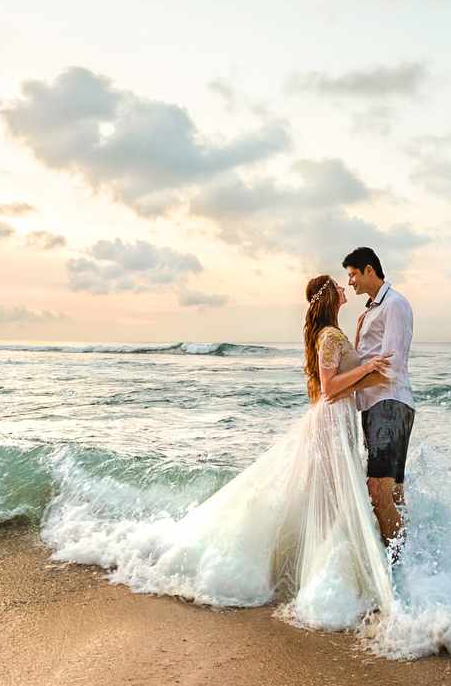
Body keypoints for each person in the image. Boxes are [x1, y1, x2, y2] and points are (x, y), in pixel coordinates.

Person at [113, 274, 395, 630]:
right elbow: (329, 388)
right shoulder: (327, 336)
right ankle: (327, 580)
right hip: (331, 421)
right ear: (329, 297)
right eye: (338, 285)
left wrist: (370, 365)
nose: (344, 287)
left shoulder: (333, 333)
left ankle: (329, 571)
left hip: (339, 420)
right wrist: (370, 367)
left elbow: (342, 380)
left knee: (329, 494)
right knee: (331, 495)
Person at [343, 246, 415, 549]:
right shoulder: (371, 310)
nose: (350, 282)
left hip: (389, 403)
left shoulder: (394, 304)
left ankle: (398, 566)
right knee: (393, 493)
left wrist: (345, 388)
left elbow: (392, 366)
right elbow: (366, 359)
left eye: (353, 274)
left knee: (377, 490)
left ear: (369, 270)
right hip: (375, 406)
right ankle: (410, 562)